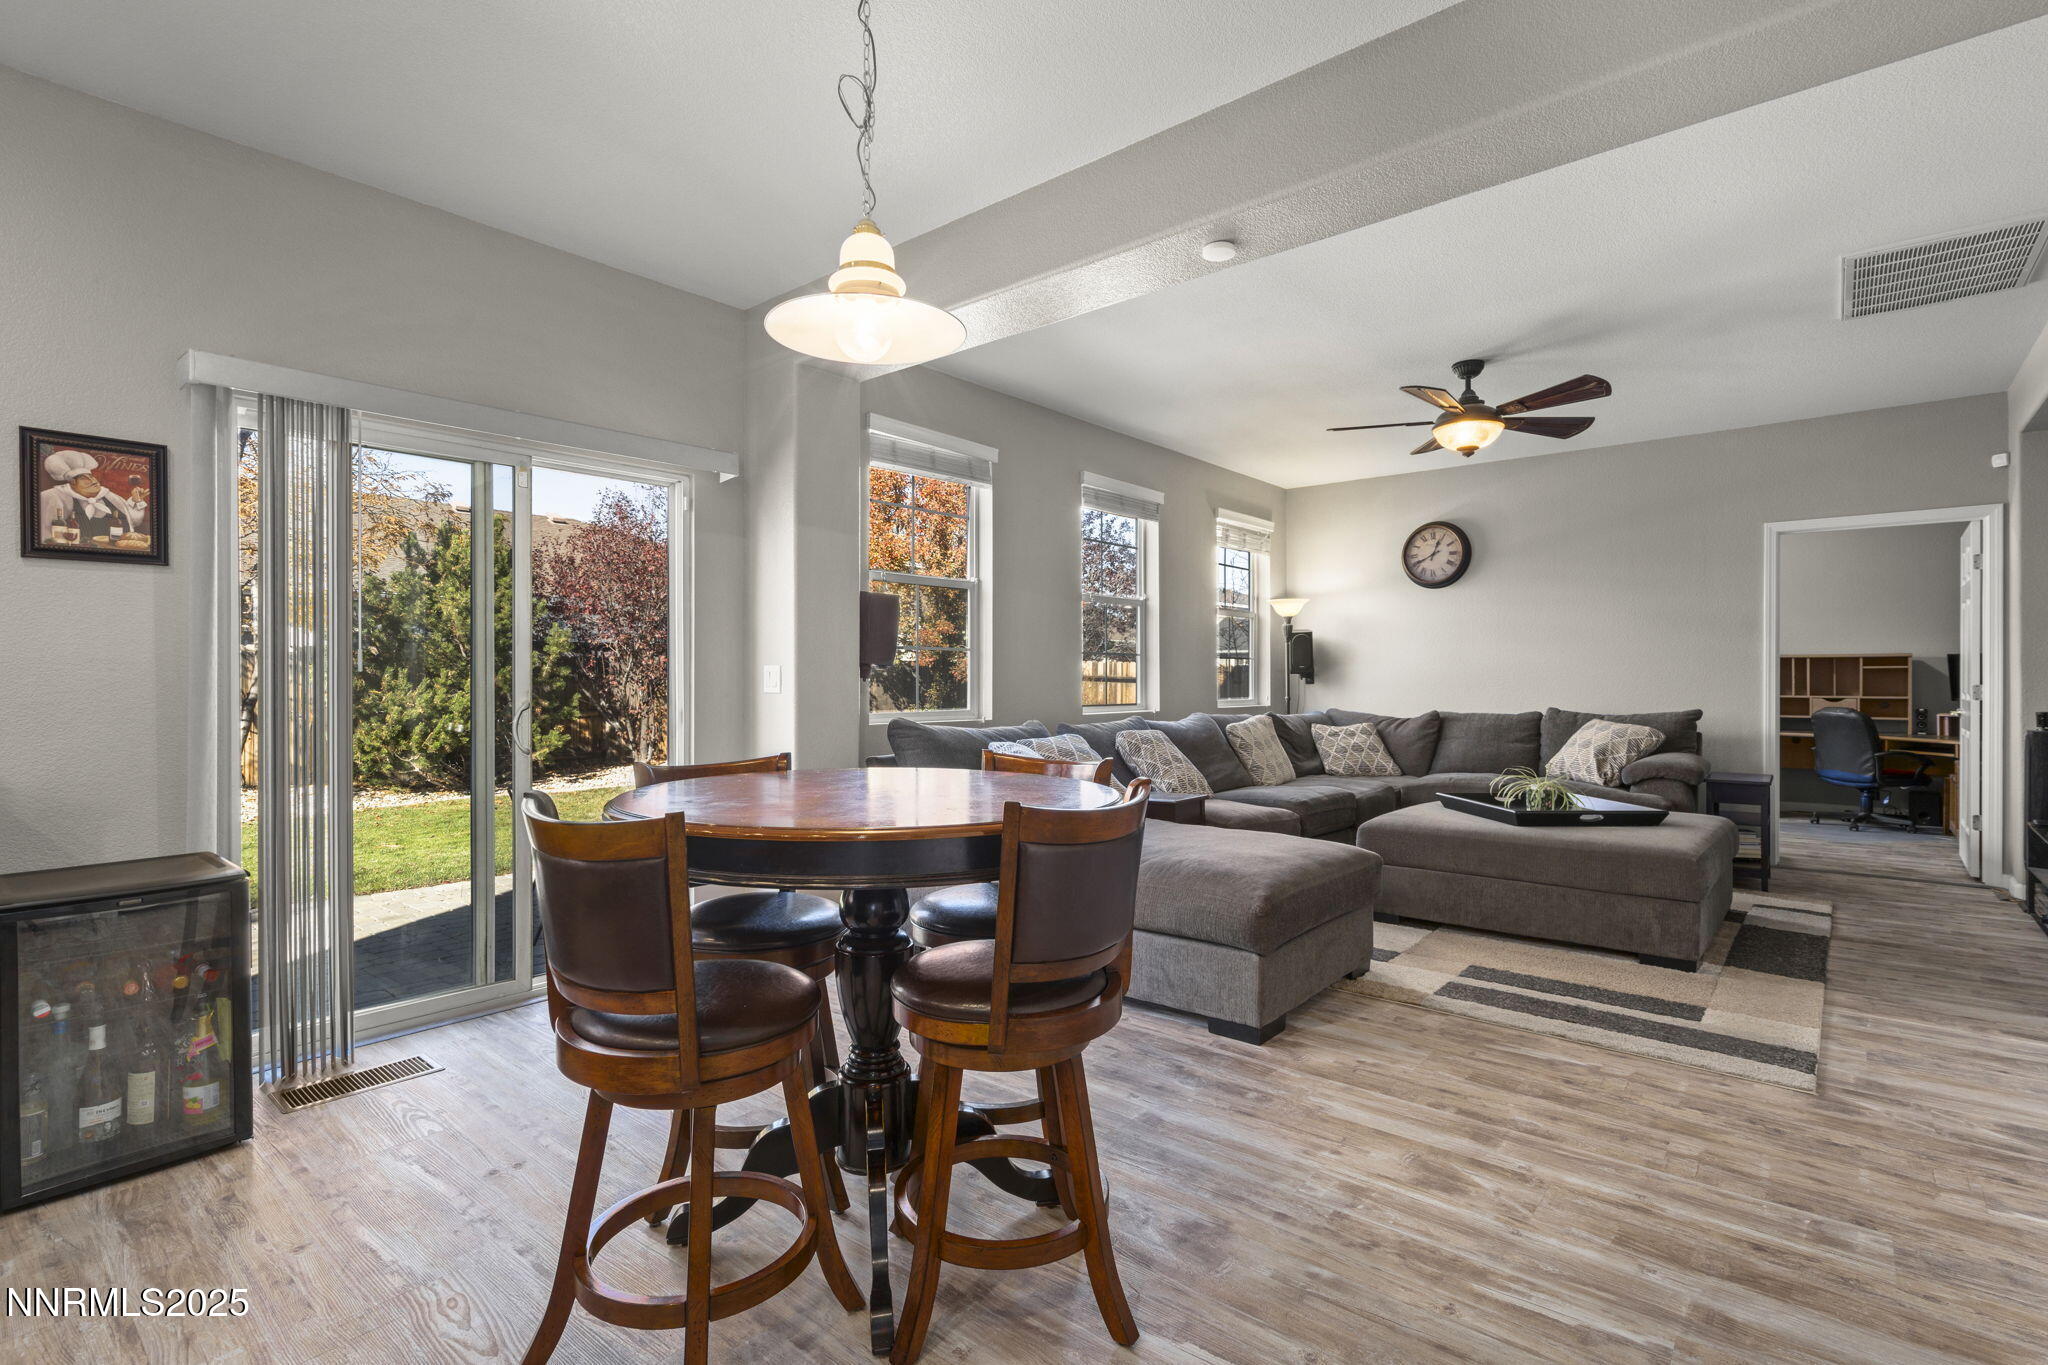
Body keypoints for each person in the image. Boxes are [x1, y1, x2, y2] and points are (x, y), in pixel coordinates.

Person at [37, 449, 143, 546]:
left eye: (91, 476)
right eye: (84, 478)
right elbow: (46, 536)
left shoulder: (110, 496)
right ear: (73, 482)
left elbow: (134, 521)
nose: (93, 481)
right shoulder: (54, 497)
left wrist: (137, 501)